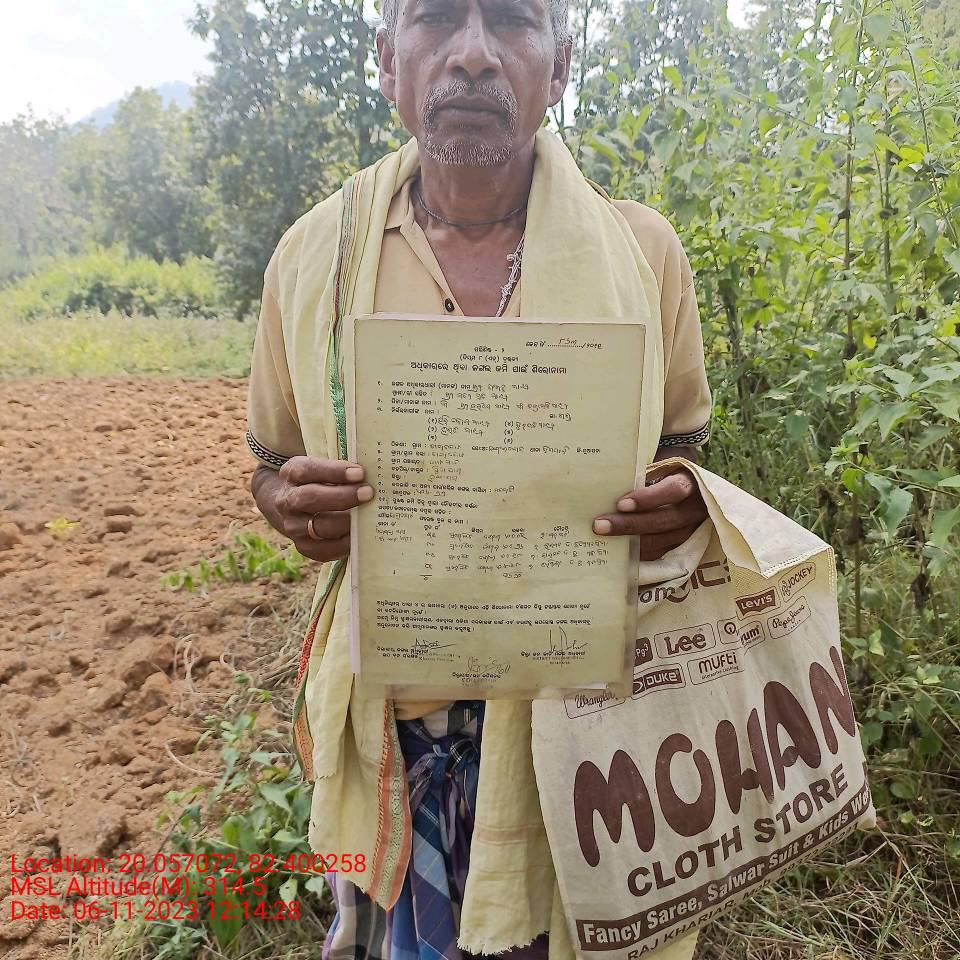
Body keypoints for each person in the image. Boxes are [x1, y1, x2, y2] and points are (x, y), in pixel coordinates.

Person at [244, 0, 712, 955]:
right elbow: (269, 465)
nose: (471, 54)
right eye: (435, 19)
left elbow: (684, 449)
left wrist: (678, 502)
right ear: (387, 59)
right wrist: (289, 506)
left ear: (560, 65)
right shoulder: (314, 257)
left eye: (510, 20)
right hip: (395, 728)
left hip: (584, 727)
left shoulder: (641, 252)